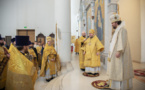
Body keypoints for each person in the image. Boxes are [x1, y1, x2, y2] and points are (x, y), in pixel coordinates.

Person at [107, 13, 134, 90]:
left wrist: (119, 51)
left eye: (113, 23)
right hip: (115, 53)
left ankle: (121, 86)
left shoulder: (122, 29)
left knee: (120, 70)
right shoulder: (117, 30)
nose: (112, 24)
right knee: (115, 69)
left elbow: (122, 41)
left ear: (116, 22)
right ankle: (114, 85)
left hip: (120, 54)